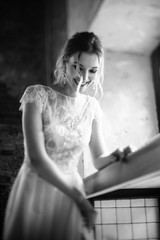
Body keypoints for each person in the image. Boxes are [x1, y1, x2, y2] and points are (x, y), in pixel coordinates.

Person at [3, 32, 130, 240]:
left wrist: (118, 156)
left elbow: (98, 159)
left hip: (70, 195)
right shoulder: (37, 96)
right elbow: (35, 158)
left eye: (92, 71)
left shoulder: (92, 107)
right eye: (78, 68)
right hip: (37, 189)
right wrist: (79, 198)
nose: (84, 77)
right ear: (65, 62)